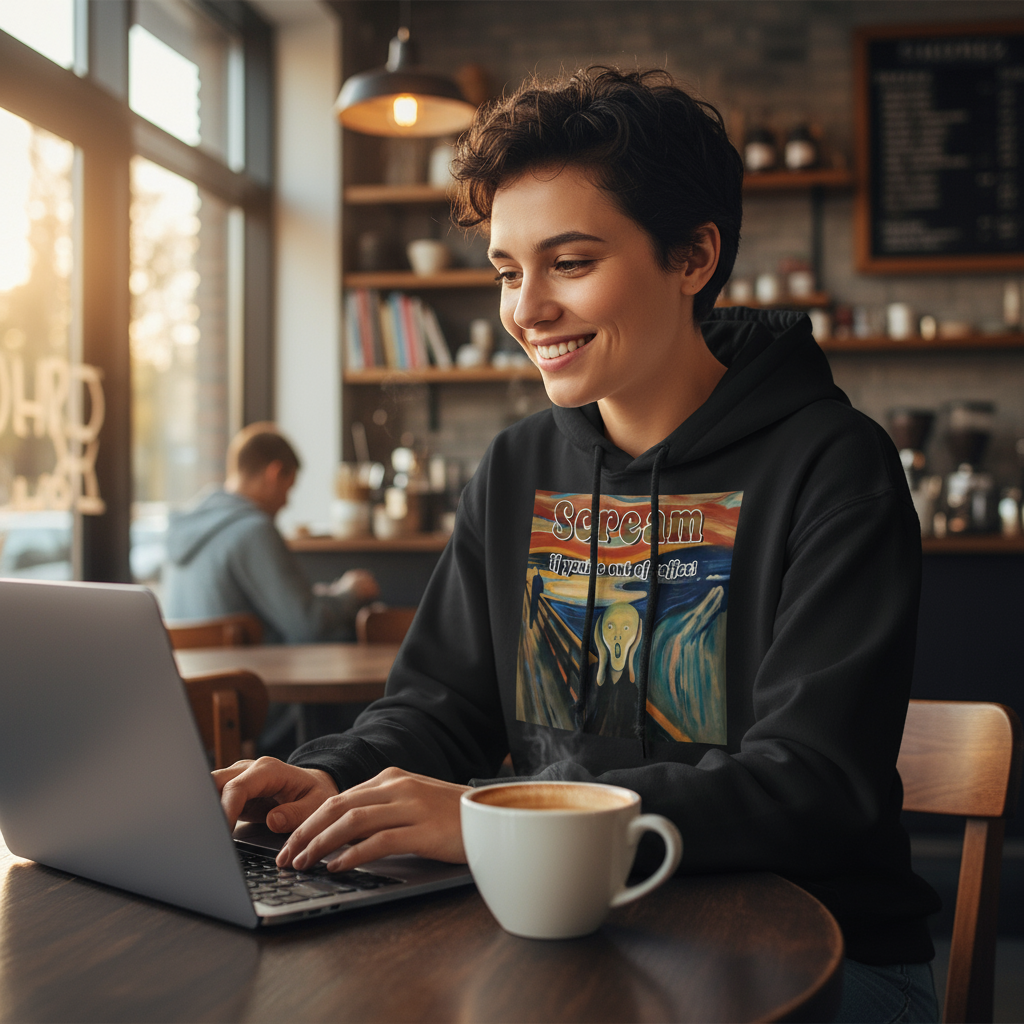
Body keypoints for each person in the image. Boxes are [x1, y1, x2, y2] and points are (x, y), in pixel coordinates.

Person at [215, 69, 940, 1022]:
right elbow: (440, 705)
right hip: (561, 929)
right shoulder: (518, 466)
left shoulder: (835, 467)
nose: (526, 310)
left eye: (571, 262)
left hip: (819, 951)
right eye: (510, 271)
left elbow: (812, 786)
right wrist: (335, 771)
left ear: (692, 255)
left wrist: (496, 819)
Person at [163, 423, 379, 643]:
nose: (286, 503)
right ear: (274, 474)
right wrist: (349, 593)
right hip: (244, 675)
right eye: (289, 489)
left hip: (190, 674)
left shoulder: (189, 527)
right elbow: (309, 625)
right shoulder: (254, 531)